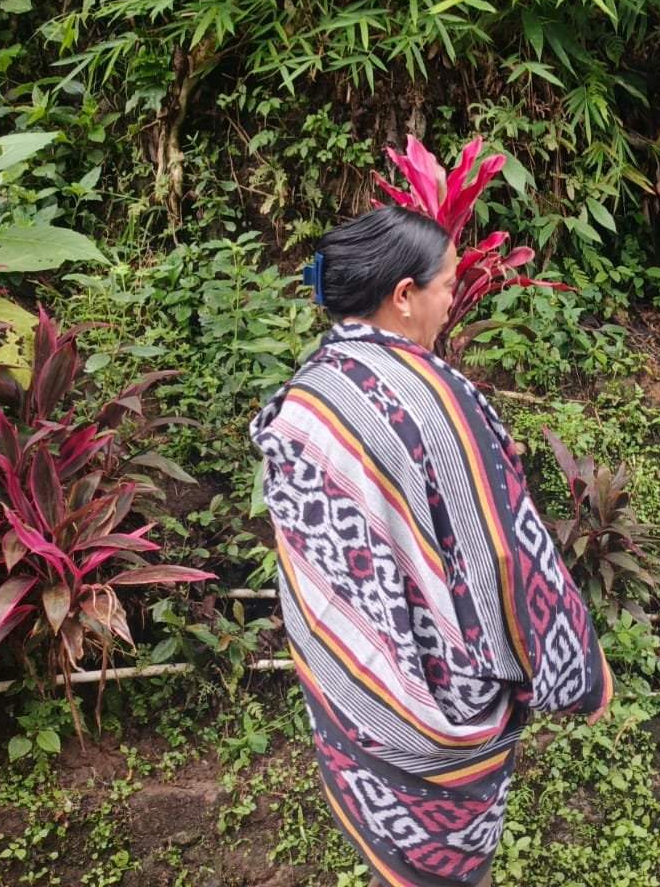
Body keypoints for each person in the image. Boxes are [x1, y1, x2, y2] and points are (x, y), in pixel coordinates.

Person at [250, 206, 611, 887]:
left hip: (354, 700)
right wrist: (577, 669)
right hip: (441, 717)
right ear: (404, 295)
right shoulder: (436, 402)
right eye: (448, 284)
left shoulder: (306, 398)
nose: (454, 300)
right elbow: (502, 556)